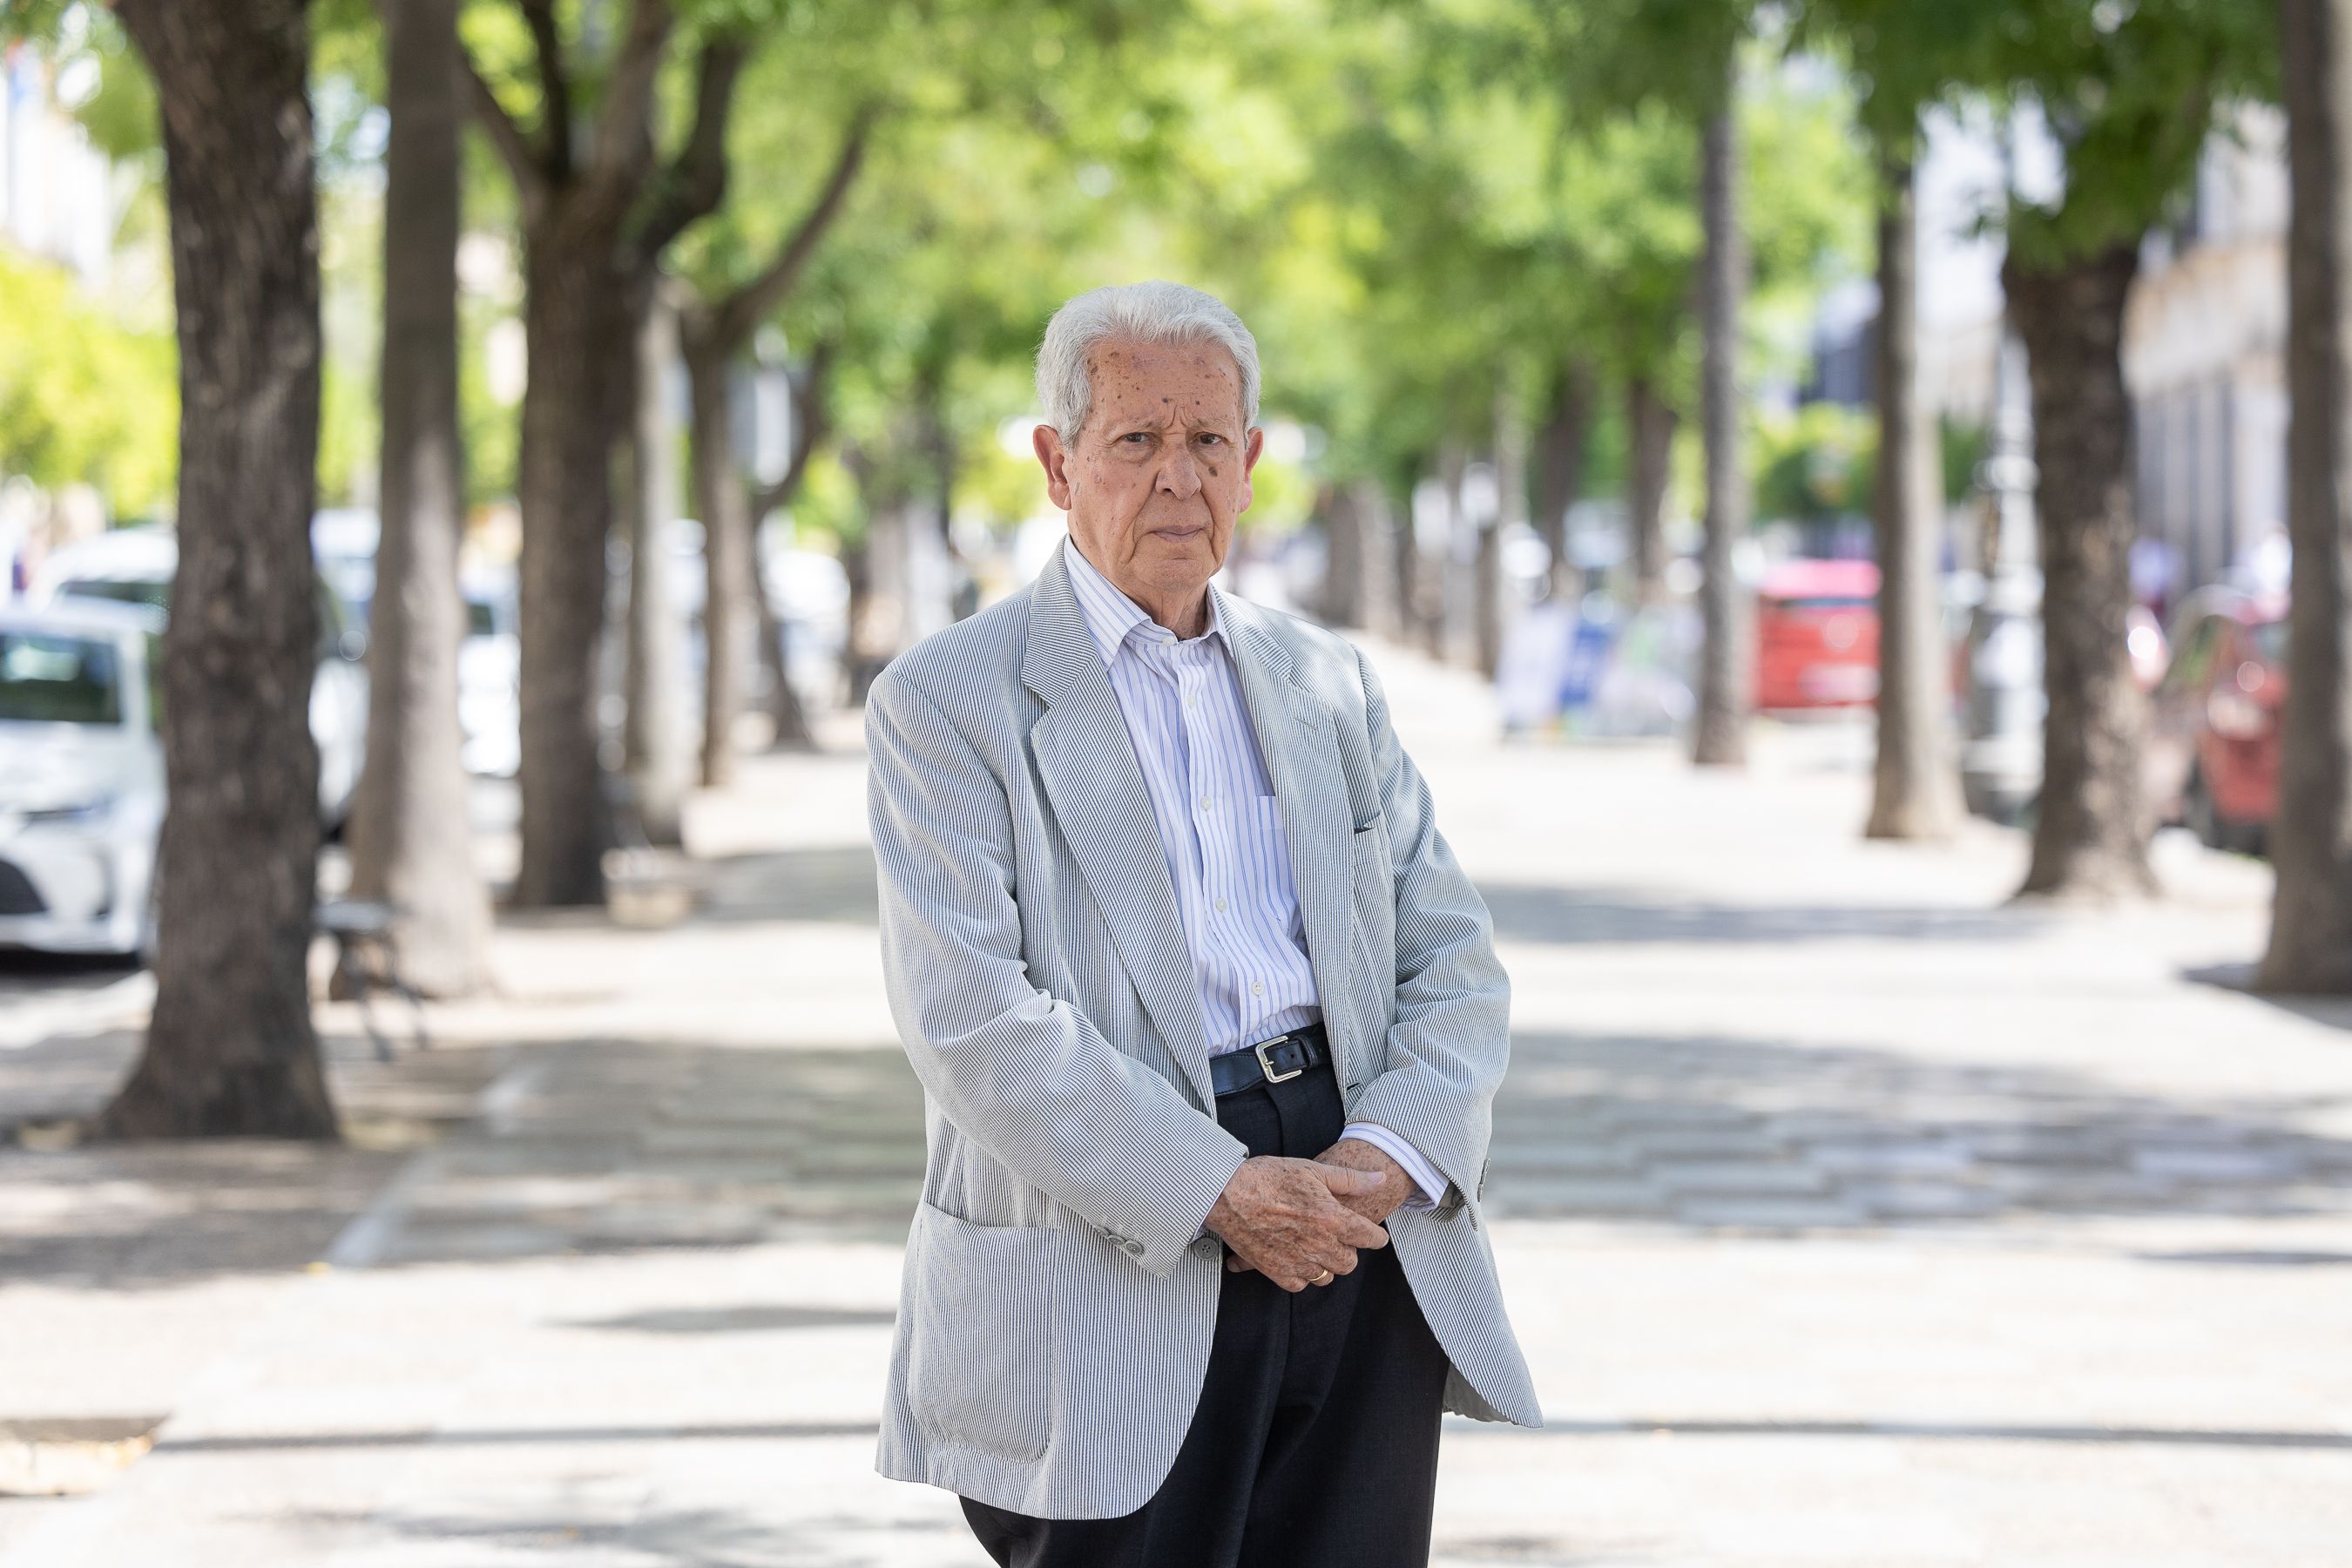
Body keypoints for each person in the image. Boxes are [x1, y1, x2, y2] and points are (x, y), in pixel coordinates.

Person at [866, 280, 1538, 1567]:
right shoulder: (946, 703)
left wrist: (1391, 1155)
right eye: (1135, 442)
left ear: (1252, 464)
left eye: (1208, 443)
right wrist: (1217, 1188)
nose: (1178, 479)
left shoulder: (1326, 683)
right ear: (1059, 466)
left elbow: (1451, 957)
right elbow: (968, 1017)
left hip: (1356, 1202)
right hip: (1114, 1227)